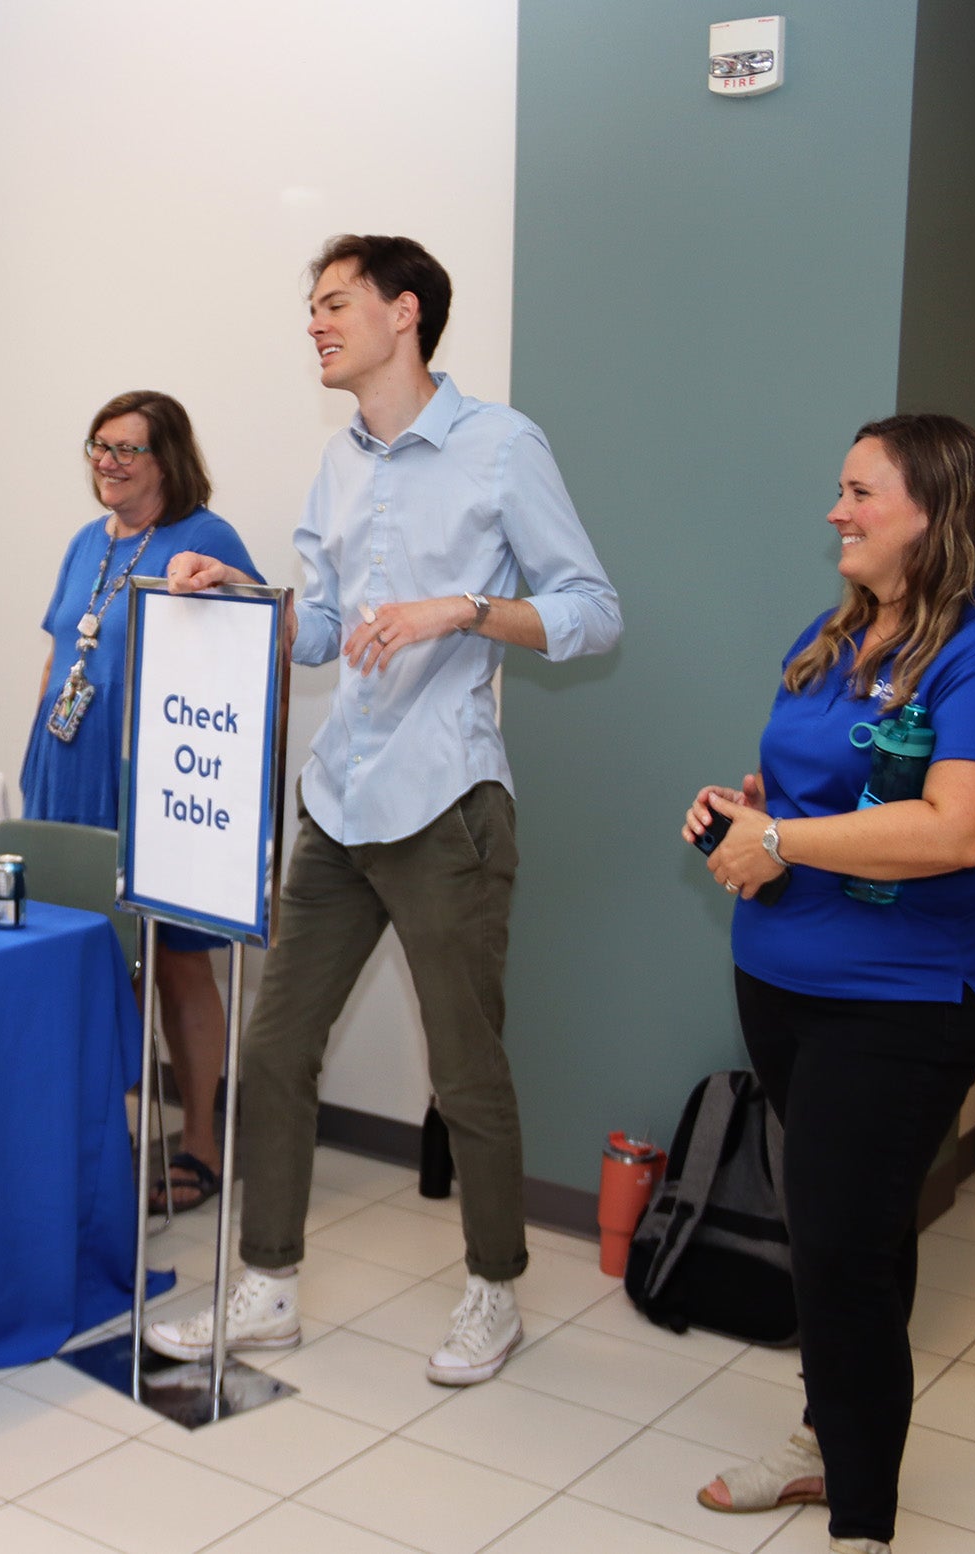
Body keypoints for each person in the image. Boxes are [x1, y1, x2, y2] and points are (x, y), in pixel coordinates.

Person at [151, 234, 621, 1382]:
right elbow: (324, 632)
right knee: (273, 1045)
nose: (315, 323)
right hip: (340, 801)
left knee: (465, 1070)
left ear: (404, 313)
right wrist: (245, 596)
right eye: (309, 306)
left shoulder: (501, 447)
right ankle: (266, 1286)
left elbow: (593, 612)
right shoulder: (341, 463)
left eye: (334, 303)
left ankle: (494, 1290)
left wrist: (458, 610)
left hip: (446, 802)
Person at [685, 414, 975, 1554]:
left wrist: (785, 846)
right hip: (783, 984)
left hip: (904, 1004)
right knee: (858, 1237)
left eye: (860, 493)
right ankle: (824, 1441)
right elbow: (814, 786)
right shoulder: (837, 631)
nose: (837, 511)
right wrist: (744, 811)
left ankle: (862, 1523)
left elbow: (957, 828)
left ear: (935, 515)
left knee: (840, 1248)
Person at [19, 390, 261, 1212]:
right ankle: (104, 1135)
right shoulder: (87, 543)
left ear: (168, 461)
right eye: (98, 445)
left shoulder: (206, 539)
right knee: (95, 959)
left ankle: (199, 1144)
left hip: (156, 784)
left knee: (176, 960)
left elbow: (251, 655)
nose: (108, 463)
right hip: (70, 776)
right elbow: (60, 657)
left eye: (127, 449)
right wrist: (36, 771)